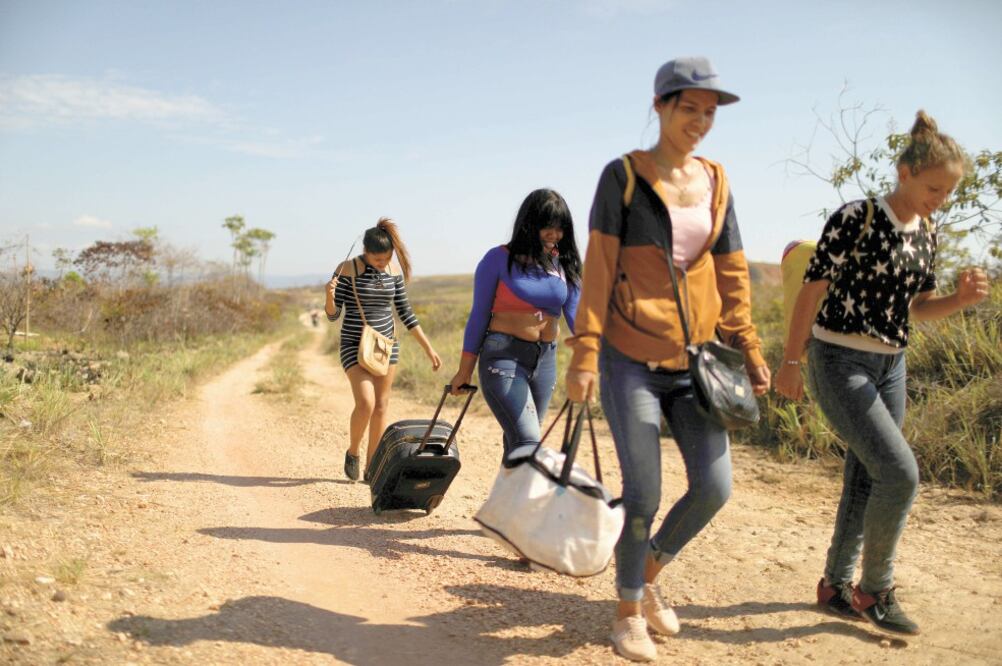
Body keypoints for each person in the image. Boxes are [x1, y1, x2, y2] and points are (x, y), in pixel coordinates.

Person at [564, 57, 770, 662]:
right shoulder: (623, 177)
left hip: (699, 362)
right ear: (659, 106)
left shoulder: (717, 181)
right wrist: (585, 354)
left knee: (714, 486)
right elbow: (598, 269)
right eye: (689, 109)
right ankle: (628, 613)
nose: (700, 122)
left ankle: (646, 573)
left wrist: (749, 347)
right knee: (645, 493)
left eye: (709, 113)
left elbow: (731, 272)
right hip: (629, 358)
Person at [775, 111, 990, 635]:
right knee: (900, 473)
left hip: (892, 362)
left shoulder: (928, 231)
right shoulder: (857, 217)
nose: (940, 199)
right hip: (838, 358)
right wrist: (791, 361)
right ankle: (877, 589)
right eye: (934, 188)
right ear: (904, 172)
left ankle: (835, 586)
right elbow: (812, 290)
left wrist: (958, 301)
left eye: (948, 191)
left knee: (867, 475)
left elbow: (917, 307)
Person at [448, 189, 581, 463]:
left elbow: (576, 315)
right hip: (504, 357)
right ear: (530, 224)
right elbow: (479, 315)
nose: (554, 235)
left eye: (560, 229)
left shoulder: (562, 263)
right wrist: (464, 371)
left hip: (545, 360)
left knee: (519, 444)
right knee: (528, 443)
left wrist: (597, 356)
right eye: (548, 227)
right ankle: (522, 504)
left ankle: (508, 505)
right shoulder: (497, 259)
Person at [325, 218, 442, 481]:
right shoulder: (347, 269)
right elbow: (334, 316)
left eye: (386, 258)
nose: (382, 263)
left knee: (381, 406)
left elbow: (406, 313)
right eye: (377, 259)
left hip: (386, 347)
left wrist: (428, 349)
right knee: (365, 403)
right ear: (366, 252)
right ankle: (353, 451)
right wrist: (329, 296)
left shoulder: (393, 271)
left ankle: (372, 468)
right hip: (354, 346)